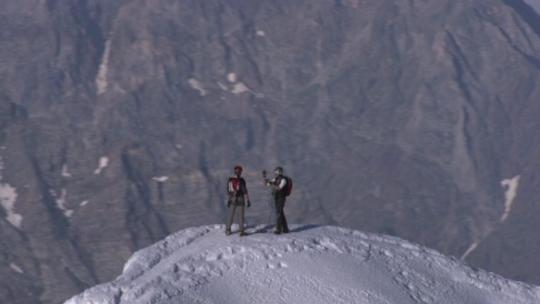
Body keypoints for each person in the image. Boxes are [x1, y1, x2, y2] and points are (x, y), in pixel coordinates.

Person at [225, 165, 251, 236]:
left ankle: (228, 230)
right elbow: (245, 191)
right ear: (240, 172)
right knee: (240, 216)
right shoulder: (242, 180)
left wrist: (229, 199)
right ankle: (241, 231)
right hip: (240, 199)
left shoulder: (230, 179)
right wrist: (248, 200)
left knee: (231, 215)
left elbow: (228, 191)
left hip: (232, 199)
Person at [264, 166, 290, 234]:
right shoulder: (276, 179)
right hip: (277, 197)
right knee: (280, 212)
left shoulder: (283, 180)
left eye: (276, 171)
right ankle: (285, 228)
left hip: (281, 197)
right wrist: (265, 179)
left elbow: (279, 188)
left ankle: (278, 229)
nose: (275, 172)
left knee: (278, 212)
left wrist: (272, 183)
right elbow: (267, 184)